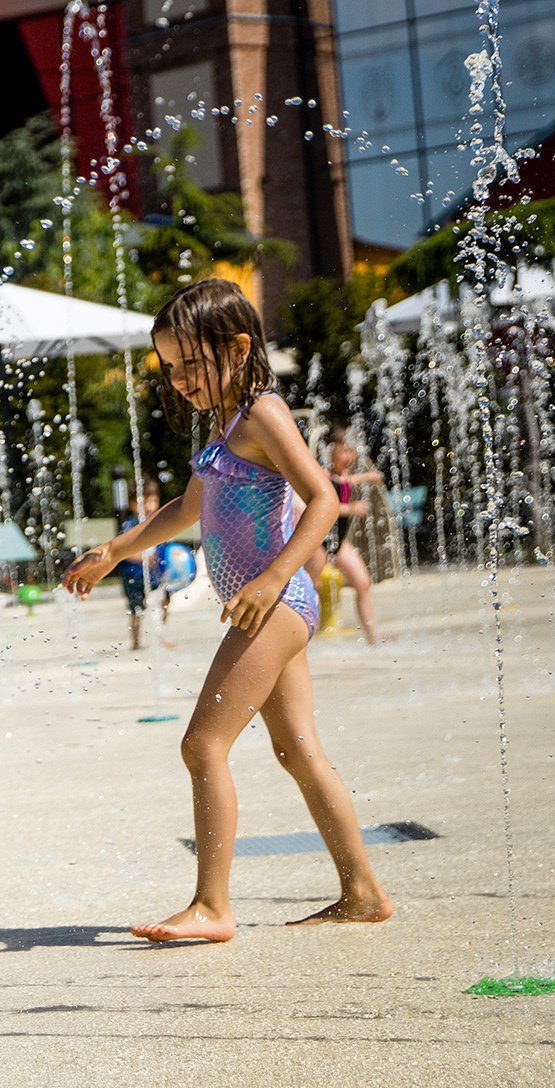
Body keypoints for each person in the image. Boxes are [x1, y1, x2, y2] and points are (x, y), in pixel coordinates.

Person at [62, 279, 392, 943]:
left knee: (202, 743)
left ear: (238, 348)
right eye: (171, 367)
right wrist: (116, 551)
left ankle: (212, 906)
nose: (181, 379)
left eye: (191, 363)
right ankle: (362, 892)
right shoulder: (226, 423)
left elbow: (323, 497)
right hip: (268, 604)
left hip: (273, 604)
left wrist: (271, 581)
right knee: (298, 751)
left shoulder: (265, 412)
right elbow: (187, 509)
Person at [303, 422, 385, 644]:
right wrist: (351, 508)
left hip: (338, 543)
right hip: (319, 542)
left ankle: (373, 639)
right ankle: (297, 641)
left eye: (353, 450)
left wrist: (368, 477)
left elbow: (347, 481)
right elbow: (321, 505)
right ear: (331, 451)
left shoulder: (343, 476)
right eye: (346, 450)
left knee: (363, 582)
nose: (351, 456)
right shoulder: (322, 475)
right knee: (309, 590)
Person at [114, 489, 162, 650]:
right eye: (146, 502)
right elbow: (124, 552)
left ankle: (161, 635)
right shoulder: (130, 525)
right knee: (136, 609)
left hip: (153, 574)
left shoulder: (160, 524)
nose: (150, 506)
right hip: (133, 574)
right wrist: (145, 559)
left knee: (163, 600)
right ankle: (135, 641)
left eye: (154, 501)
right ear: (133, 505)